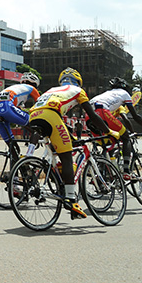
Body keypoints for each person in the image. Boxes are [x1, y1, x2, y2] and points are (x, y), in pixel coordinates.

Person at [28, 67, 117, 219]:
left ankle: (56, 180)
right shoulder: (78, 91)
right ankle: (72, 200)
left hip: (33, 116)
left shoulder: (53, 90)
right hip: (50, 116)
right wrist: (108, 131)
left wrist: (72, 137)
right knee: (67, 157)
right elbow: (92, 115)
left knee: (59, 152)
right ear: (78, 82)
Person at [89, 77, 142, 174]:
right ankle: (126, 170)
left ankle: (104, 174)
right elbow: (135, 116)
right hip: (101, 112)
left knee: (108, 144)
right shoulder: (124, 94)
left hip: (88, 114)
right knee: (126, 138)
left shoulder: (108, 94)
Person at [0, 73, 41, 162]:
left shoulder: (15, 89)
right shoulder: (31, 88)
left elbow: (19, 118)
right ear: (34, 84)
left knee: (14, 149)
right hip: (7, 106)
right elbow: (41, 104)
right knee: (36, 128)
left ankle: (16, 174)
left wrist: (29, 129)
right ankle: (28, 157)